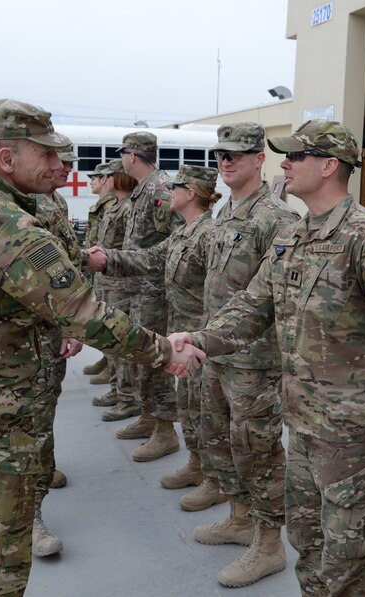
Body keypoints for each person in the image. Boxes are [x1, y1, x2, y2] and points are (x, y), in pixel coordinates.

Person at [0, 98, 205, 597]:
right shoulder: (0, 221)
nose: (58, 166)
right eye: (44, 155)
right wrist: (162, 351)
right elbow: (79, 309)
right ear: (6, 159)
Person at [168, 119, 365, 595]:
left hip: (357, 438)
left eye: (295, 156)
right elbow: (251, 306)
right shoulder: (292, 237)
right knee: (308, 543)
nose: (285, 163)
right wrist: (199, 340)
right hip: (302, 425)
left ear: (329, 167)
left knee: (353, 558)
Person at [182, 122, 299, 588]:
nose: (225, 162)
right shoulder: (224, 214)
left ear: (259, 159)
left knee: (258, 450)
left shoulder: (276, 218)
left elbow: (279, 299)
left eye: (236, 154)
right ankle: (239, 518)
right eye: (220, 155)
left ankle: (269, 543)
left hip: (256, 359)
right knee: (218, 439)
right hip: (218, 350)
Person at [87, 164, 226, 510]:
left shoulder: (210, 234)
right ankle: (198, 466)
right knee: (189, 405)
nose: (169, 192)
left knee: (207, 411)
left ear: (190, 193)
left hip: (203, 340)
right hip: (184, 335)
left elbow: (221, 292)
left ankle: (216, 479)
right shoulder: (184, 233)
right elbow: (152, 258)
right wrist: (108, 259)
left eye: (176, 186)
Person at [28, 141, 85, 557]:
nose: (64, 170)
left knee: (44, 406)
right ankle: (28, 519)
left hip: (50, 331)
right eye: (58, 162)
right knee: (25, 422)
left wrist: (72, 323)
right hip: (23, 336)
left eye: (67, 163)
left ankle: (43, 469)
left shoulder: (55, 203)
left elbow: (69, 262)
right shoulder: (24, 207)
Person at [114, 132, 184, 462]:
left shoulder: (159, 190)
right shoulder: (145, 190)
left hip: (155, 290)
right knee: (142, 356)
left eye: (125, 154)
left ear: (132, 156)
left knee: (157, 358)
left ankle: (166, 429)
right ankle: (149, 417)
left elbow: (176, 237)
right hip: (140, 288)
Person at [93, 160, 142, 422]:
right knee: (111, 340)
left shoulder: (127, 208)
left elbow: (127, 249)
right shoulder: (116, 207)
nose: (106, 179)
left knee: (121, 342)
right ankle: (117, 388)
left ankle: (127, 396)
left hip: (121, 284)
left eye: (111, 175)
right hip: (108, 281)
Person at [81, 162, 118, 382]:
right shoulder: (102, 205)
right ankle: (108, 358)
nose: (91, 181)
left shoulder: (113, 204)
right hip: (98, 269)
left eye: (96, 177)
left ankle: (113, 368)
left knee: (109, 319)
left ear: (106, 179)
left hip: (108, 270)